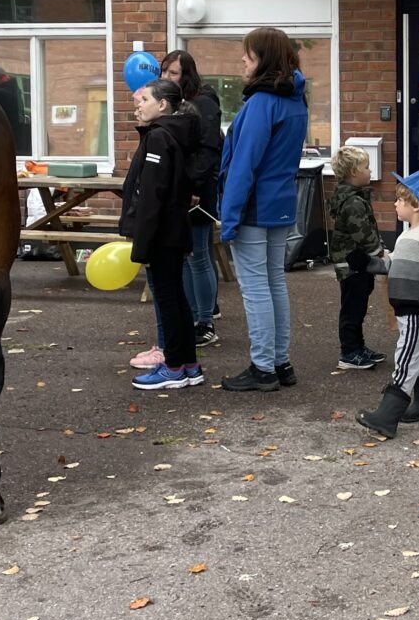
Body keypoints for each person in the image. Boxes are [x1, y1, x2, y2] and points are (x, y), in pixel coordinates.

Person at [217, 27, 308, 392]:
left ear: (264, 61)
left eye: (249, 55)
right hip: (281, 203)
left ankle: (263, 367)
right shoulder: (296, 100)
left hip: (254, 206)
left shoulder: (261, 103)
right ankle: (279, 362)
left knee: (256, 288)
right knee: (273, 284)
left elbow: (244, 165)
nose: (242, 59)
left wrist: (229, 217)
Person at [357, 170, 419, 439]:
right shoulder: (406, 235)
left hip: (417, 307)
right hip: (406, 308)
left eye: (400, 200)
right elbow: (393, 265)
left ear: (416, 204)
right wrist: (368, 264)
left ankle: (387, 417)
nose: (395, 204)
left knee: (405, 357)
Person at [121, 78, 205, 389]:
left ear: (162, 105)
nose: (138, 105)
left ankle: (172, 367)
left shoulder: (160, 137)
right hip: (172, 229)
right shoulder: (171, 133)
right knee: (176, 297)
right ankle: (188, 364)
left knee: (168, 298)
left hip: (162, 232)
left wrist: (142, 241)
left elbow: (152, 195)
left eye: (144, 100)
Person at [161, 48, 223, 347]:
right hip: (179, 189)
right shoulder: (172, 104)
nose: (167, 77)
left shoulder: (203, 102)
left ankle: (204, 321)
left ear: (187, 75)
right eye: (164, 72)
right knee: (185, 256)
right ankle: (192, 312)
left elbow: (209, 148)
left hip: (197, 191)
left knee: (198, 254)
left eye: (173, 73)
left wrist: (194, 186)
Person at [328, 145, 385, 370]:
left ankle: (358, 347)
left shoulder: (354, 198)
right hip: (352, 263)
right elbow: (362, 232)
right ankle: (349, 353)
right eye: (366, 167)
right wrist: (379, 253)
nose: (370, 171)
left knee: (358, 306)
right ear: (353, 172)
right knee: (353, 308)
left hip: (358, 262)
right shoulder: (352, 202)